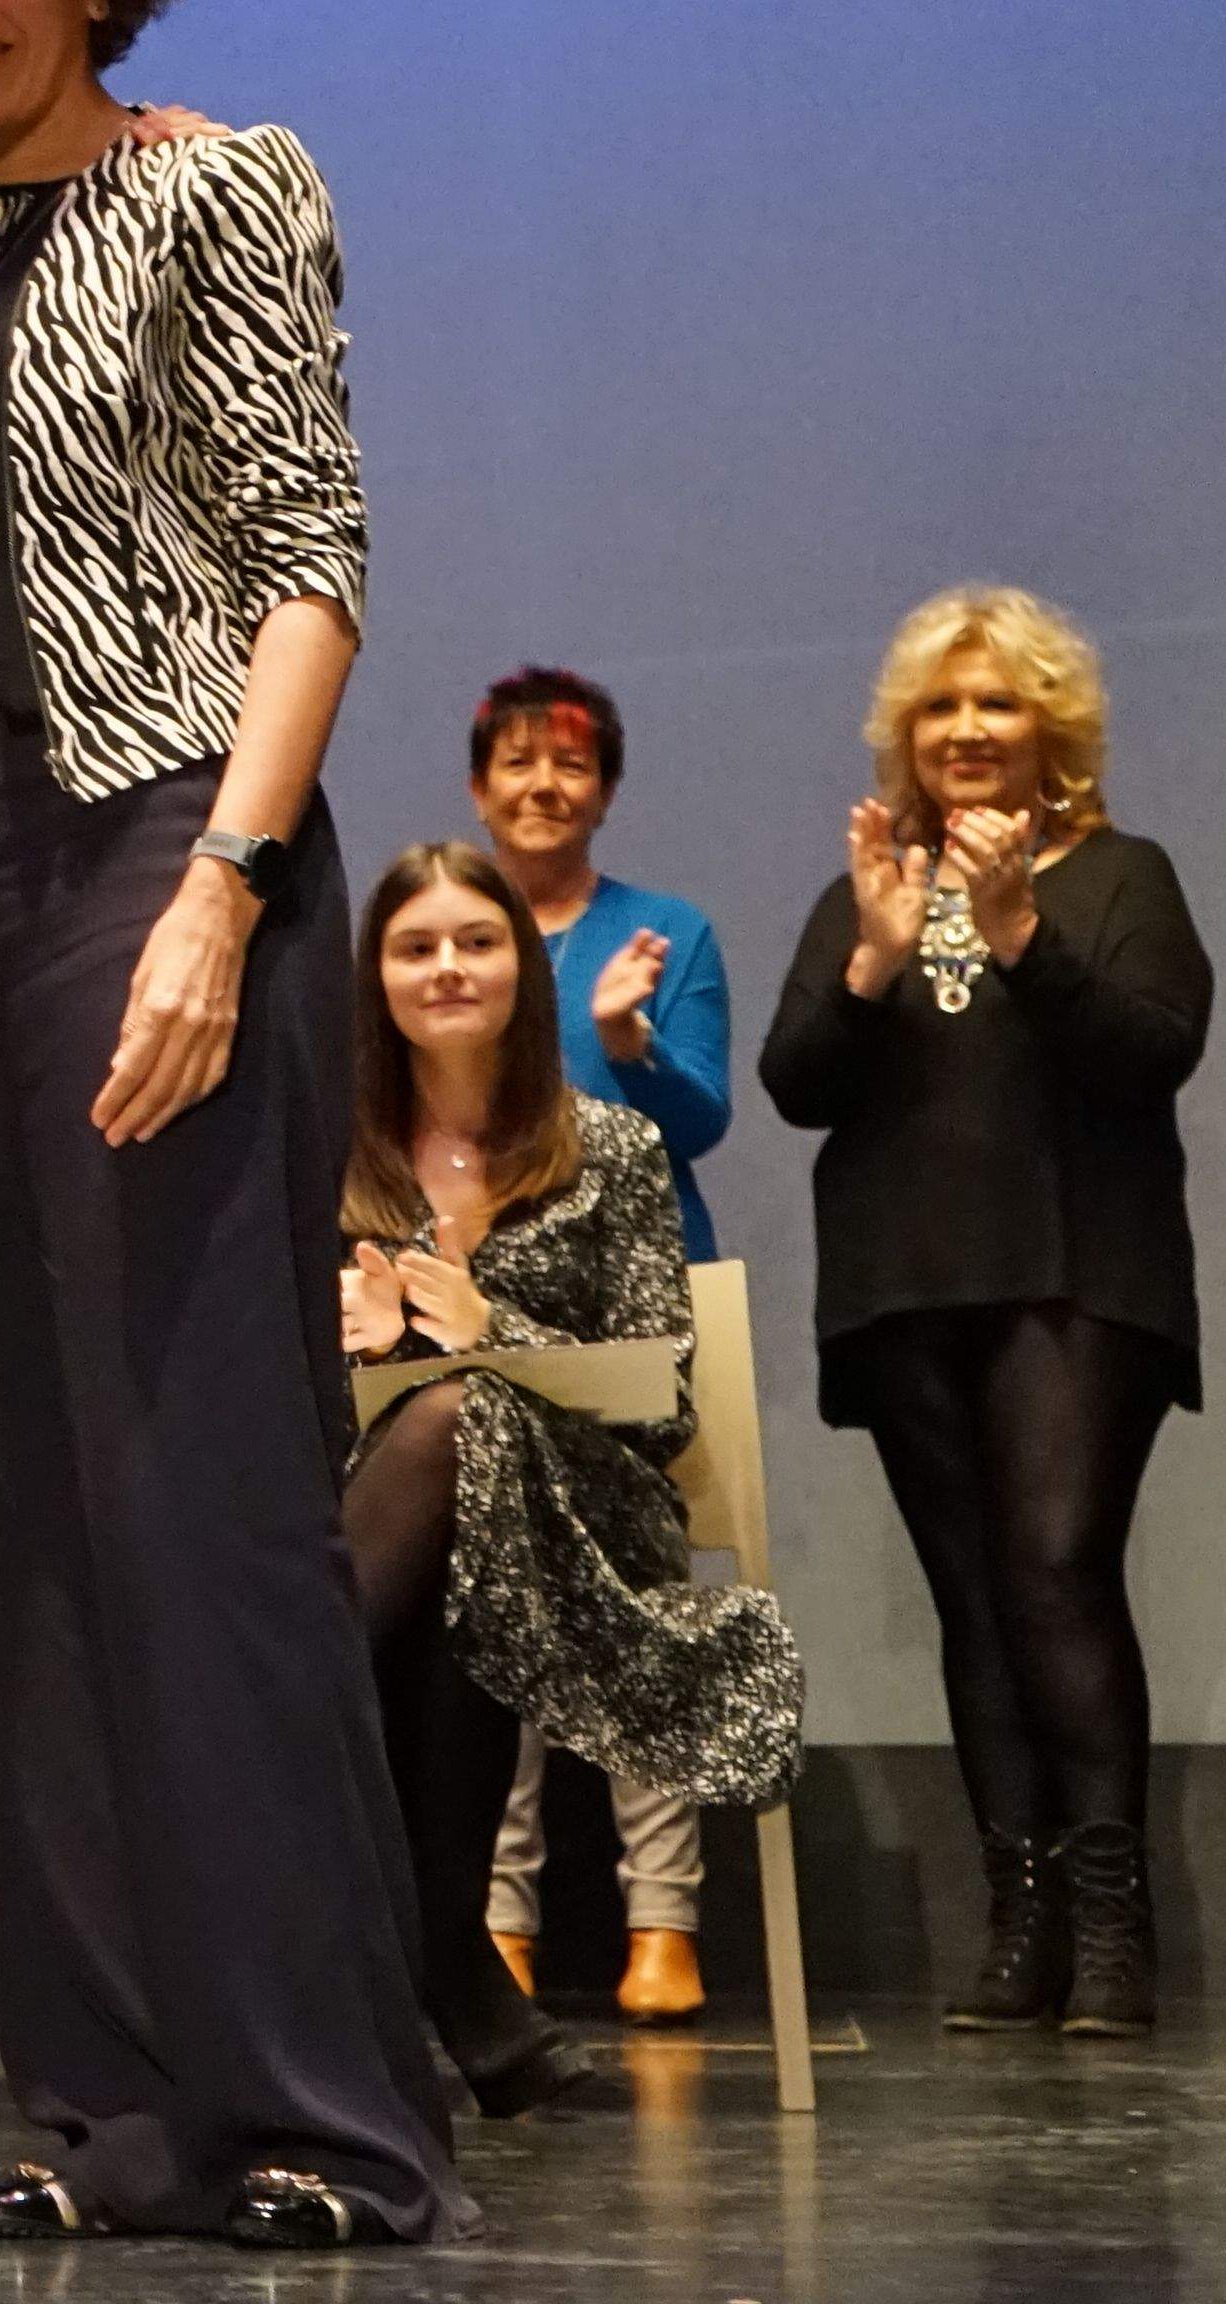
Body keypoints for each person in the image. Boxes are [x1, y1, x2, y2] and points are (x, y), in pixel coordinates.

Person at [0, 0, 436, 2246]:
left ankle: (319, 2111)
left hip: (155, 841)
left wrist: (223, 890)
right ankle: (115, 2106)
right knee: (23, 1520)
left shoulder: (218, 179)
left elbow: (307, 553)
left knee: (196, 1504)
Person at [761, 585, 1210, 2038]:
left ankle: (1111, 1929)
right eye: (942, 708)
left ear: (1050, 730)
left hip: (1079, 1276)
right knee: (974, 1601)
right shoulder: (864, 887)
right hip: (905, 1285)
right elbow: (796, 1083)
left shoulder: (1123, 873)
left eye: (997, 704)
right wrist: (877, 957)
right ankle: (1017, 1927)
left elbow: (1155, 1053)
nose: (967, 730)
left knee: (1058, 1570)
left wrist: (1021, 931)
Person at [326, 843, 805, 2120]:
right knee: (444, 1451)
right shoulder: (325, 1145)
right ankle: (453, 1963)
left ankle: (289, 1754)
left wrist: (489, 1328)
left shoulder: (612, 1144)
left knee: (464, 1423)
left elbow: (659, 1398)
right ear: (375, 977)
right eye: (415, 946)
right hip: (370, 1510)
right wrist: (338, 1347)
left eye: (475, 943)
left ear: (521, 968)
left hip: (586, 1506)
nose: (447, 968)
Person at [455, 665, 738, 2020]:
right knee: (489, 1602)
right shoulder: (454, 931)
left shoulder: (667, 931)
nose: (541, 785)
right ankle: (494, 1917)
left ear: (606, 790)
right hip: (480, 1300)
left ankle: (663, 1924)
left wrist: (629, 1036)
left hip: (638, 1303)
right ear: (478, 786)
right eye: (514, 763)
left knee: (646, 1597)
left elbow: (702, 1124)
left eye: (568, 766)